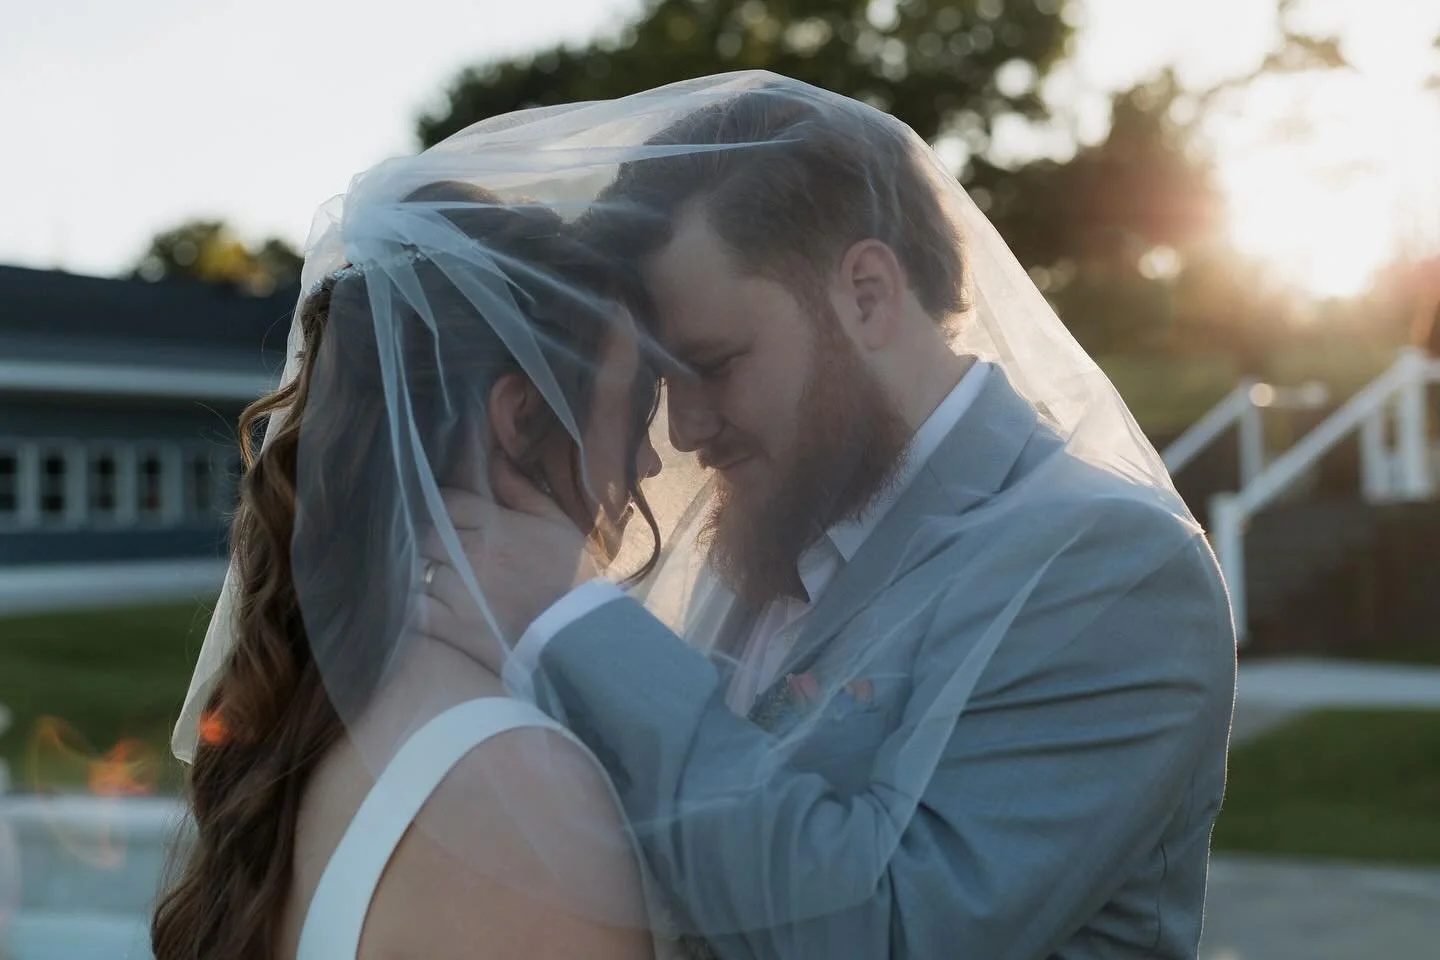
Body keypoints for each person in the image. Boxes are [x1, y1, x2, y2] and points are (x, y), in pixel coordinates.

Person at [422, 74, 1238, 958]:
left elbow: (897, 929)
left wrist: (569, 619)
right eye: (664, 385)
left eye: (716, 363)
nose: (687, 431)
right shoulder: (771, 528)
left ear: (868, 293)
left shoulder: (1113, 567)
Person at [156, 180, 679, 959]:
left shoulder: (323, 699)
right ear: (517, 415)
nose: (648, 457)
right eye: (634, 410)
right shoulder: (519, 789)